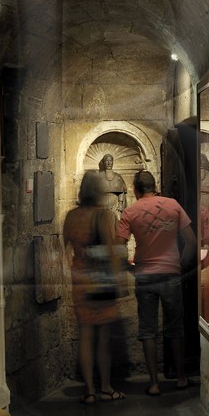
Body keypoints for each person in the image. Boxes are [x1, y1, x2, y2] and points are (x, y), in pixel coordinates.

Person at [115, 170, 195, 395]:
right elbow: (191, 241)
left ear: (135, 189)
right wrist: (180, 265)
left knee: (148, 330)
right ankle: (180, 377)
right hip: (171, 273)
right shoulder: (173, 205)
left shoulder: (130, 212)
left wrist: (129, 268)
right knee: (176, 328)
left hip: (145, 275)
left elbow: (119, 245)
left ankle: (154, 383)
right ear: (155, 185)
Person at [62, 169, 129, 403]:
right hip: (100, 281)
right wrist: (119, 278)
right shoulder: (104, 216)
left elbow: (66, 248)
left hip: (80, 281)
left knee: (86, 336)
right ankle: (106, 387)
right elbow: (111, 250)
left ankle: (89, 390)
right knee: (103, 338)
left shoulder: (71, 216)